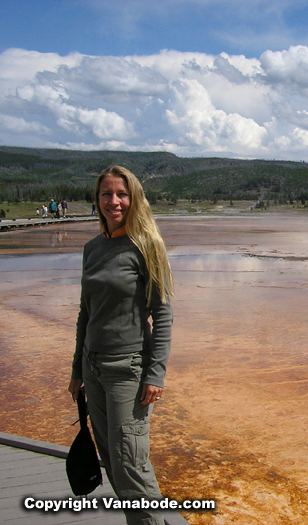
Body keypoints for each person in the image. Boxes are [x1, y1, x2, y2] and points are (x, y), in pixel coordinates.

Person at [68, 165, 174, 525]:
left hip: (128, 370)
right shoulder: (92, 248)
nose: (114, 201)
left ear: (134, 199)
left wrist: (155, 373)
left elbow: (162, 315)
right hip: (93, 369)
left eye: (122, 194)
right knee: (113, 463)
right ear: (97, 200)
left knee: (131, 464)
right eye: (106, 194)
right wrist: (76, 370)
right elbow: (86, 314)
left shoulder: (147, 246)